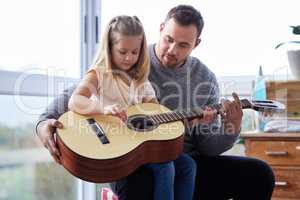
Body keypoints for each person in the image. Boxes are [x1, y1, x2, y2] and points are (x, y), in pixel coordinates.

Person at [36, 5, 275, 200]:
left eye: (183, 45)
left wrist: (229, 127)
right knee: (146, 181)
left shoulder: (205, 78)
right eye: (168, 39)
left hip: (182, 159)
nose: (172, 50)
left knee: (259, 174)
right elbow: (72, 99)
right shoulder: (130, 58)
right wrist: (43, 124)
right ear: (160, 30)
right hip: (128, 161)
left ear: (197, 44)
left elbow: (208, 149)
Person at [67, 15, 204, 200]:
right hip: (116, 147)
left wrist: (187, 118)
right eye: (123, 51)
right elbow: (75, 101)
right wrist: (104, 108)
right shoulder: (99, 74)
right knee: (165, 167)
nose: (129, 58)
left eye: (135, 52)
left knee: (188, 165)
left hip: (140, 146)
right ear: (109, 48)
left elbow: (155, 111)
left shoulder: (140, 79)